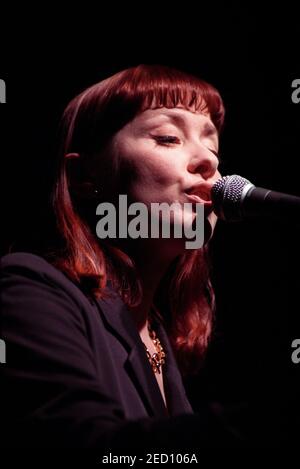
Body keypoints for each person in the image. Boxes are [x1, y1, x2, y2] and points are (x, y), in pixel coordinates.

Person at [0, 64, 265, 451]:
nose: (209, 164)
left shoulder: (157, 336)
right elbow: (91, 451)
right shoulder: (27, 289)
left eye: (213, 147)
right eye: (168, 137)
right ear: (85, 176)